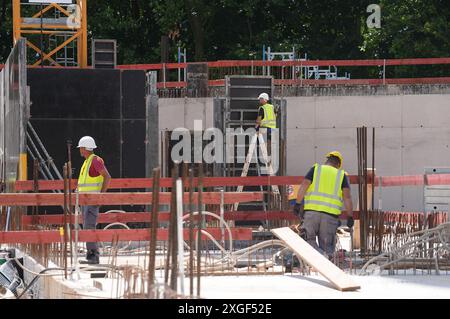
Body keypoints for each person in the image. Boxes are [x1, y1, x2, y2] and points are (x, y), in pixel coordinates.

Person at [293, 151, 354, 259]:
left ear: (327, 160)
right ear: (338, 164)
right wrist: (350, 216)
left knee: (308, 242)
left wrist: (298, 203)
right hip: (330, 217)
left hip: (311, 213)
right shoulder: (341, 175)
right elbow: (347, 197)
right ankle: (326, 260)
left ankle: (318, 258)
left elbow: (304, 185)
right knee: (327, 246)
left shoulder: (316, 169)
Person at [77, 136, 111, 264]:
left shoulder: (95, 161)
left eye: (81, 147)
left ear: (85, 148)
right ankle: (90, 255)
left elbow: (107, 177)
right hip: (86, 201)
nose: (80, 150)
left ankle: (94, 256)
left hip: (92, 201)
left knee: (89, 226)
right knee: (87, 227)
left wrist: (101, 196)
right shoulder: (87, 162)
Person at [255, 92, 276, 158]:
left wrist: (256, 128)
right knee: (269, 145)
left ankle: (265, 159)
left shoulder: (262, 108)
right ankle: (269, 158)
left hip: (265, 129)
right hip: (273, 129)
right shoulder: (272, 107)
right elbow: (275, 115)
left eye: (261, 99)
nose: (260, 100)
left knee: (264, 145)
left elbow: (259, 119)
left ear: (265, 99)